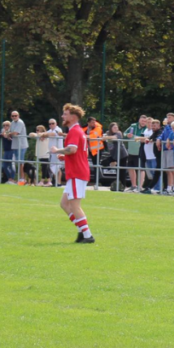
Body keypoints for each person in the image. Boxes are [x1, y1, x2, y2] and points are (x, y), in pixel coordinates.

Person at [50, 104, 94, 243]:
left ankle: (87, 235)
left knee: (74, 205)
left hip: (77, 172)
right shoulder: (76, 130)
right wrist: (64, 156)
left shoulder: (75, 131)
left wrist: (57, 151)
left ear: (73, 117)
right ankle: (82, 231)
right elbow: (76, 152)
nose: (63, 116)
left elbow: (72, 149)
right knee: (64, 204)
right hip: (75, 172)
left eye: (65, 114)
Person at [105, 122, 129, 190]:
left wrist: (106, 137)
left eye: (116, 127)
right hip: (114, 155)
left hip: (122, 155)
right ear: (111, 128)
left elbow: (114, 137)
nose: (116, 129)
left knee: (121, 172)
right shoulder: (108, 133)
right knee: (104, 162)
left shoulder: (119, 133)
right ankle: (117, 183)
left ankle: (122, 186)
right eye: (114, 127)